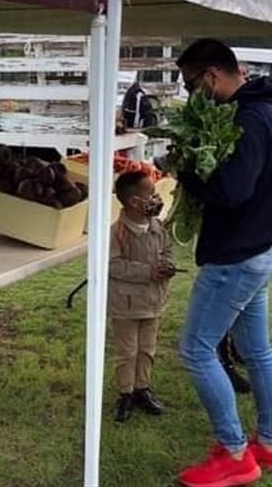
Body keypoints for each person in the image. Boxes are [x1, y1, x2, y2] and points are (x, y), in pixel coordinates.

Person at [174, 39, 272, 487]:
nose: (191, 94)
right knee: (257, 351)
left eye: (191, 84)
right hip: (261, 249)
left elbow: (230, 192)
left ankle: (235, 454)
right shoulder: (271, 112)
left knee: (196, 349)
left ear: (210, 75)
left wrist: (186, 171)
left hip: (237, 256)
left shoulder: (247, 119)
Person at [108, 171, 175, 423]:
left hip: (153, 301)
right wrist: (147, 271)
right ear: (134, 201)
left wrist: (167, 265)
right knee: (127, 351)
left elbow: (167, 250)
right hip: (126, 304)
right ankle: (125, 393)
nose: (156, 198)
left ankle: (142, 389)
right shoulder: (117, 233)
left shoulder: (158, 227)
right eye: (151, 194)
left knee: (147, 349)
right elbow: (112, 265)